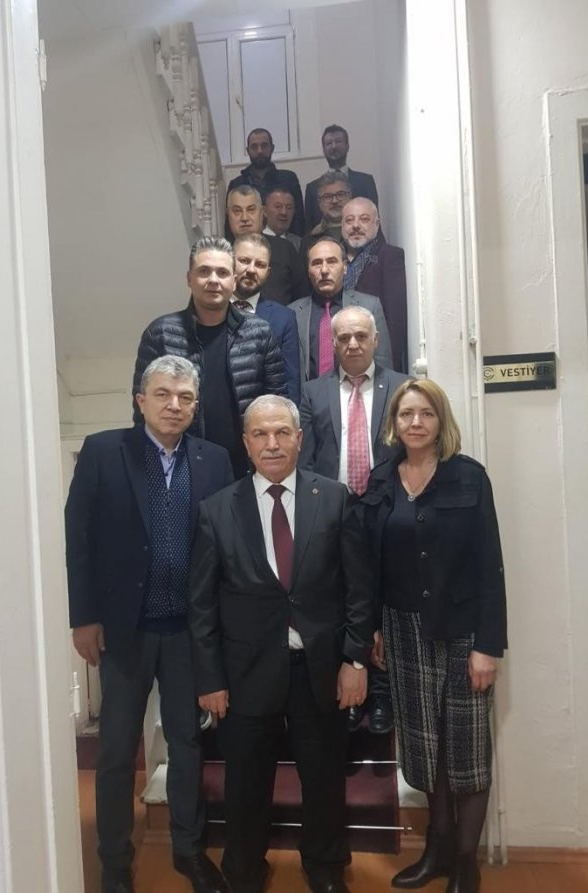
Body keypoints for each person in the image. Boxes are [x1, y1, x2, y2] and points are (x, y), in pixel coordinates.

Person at [188, 395, 374, 893]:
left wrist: (355, 660)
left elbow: (359, 589)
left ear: (299, 438)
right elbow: (201, 605)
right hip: (245, 673)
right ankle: (244, 871)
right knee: (246, 784)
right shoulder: (216, 511)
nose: (272, 443)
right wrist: (209, 678)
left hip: (320, 668)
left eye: (282, 432)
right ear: (246, 443)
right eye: (260, 434)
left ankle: (325, 867)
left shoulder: (334, 498)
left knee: (324, 778)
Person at [66, 356, 234, 893]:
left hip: (188, 630)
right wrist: (83, 617)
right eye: (162, 394)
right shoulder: (102, 452)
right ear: (141, 400)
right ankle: (115, 860)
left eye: (185, 397)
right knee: (117, 751)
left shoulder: (215, 460)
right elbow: (78, 538)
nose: (173, 405)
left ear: (195, 405)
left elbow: (226, 545)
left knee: (187, 743)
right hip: (124, 629)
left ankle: (188, 849)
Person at [358, 379, 507, 893]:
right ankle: (436, 852)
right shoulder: (381, 480)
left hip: (463, 632)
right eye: (406, 414)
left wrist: (488, 645)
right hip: (402, 631)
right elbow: (372, 563)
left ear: (441, 421)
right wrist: (374, 625)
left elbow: (490, 566)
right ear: (393, 423)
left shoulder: (469, 477)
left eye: (425, 413)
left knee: (467, 750)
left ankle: (466, 863)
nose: (415, 422)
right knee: (425, 749)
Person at [299, 306, 409, 734]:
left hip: (386, 509)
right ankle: (348, 693)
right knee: (341, 600)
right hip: (334, 511)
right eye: (343, 337)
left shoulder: (401, 387)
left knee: (384, 598)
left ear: (376, 339)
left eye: (361, 335)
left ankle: (380, 693)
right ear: (332, 343)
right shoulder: (312, 393)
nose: (353, 344)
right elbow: (306, 459)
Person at [132, 236, 287, 478]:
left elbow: (277, 404)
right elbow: (142, 412)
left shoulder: (260, 332)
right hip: (180, 467)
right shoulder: (160, 333)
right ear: (189, 278)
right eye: (204, 271)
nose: (213, 280)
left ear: (233, 280)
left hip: (245, 469)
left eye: (222, 273)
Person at [288, 236, 393, 381]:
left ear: (345, 267)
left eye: (332, 262)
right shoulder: (292, 313)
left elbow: (383, 362)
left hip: (358, 391)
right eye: (317, 263)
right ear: (308, 270)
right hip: (308, 394)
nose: (324, 270)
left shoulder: (369, 306)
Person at [231, 233, 302, 404]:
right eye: (244, 261)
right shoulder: (212, 309)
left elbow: (290, 384)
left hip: (263, 415)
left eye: (260, 265)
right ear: (230, 262)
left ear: (268, 273)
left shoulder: (284, 318)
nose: (251, 270)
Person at [341, 197, 408, 373]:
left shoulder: (389, 256)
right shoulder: (333, 259)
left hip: (375, 355)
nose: (356, 226)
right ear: (342, 226)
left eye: (364, 219)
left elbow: (395, 319)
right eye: (349, 220)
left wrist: (389, 369)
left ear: (377, 225)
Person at [226, 186, 308, 304]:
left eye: (251, 210)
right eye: (237, 211)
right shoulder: (220, 253)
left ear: (262, 212)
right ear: (228, 214)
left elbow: (303, 300)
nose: (244, 218)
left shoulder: (285, 249)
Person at [226, 128, 305, 236]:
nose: (259, 151)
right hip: (247, 241)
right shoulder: (237, 184)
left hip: (284, 241)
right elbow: (230, 223)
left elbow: (298, 219)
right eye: (254, 147)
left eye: (264, 146)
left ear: (272, 148)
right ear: (248, 151)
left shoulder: (288, 179)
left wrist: (296, 243)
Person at [305, 125, 379, 232]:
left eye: (338, 141)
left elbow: (375, 222)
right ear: (324, 150)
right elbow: (309, 228)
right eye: (329, 143)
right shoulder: (313, 188)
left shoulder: (366, 182)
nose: (334, 146)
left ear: (347, 146)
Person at [263, 185, 302, 251]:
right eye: (278, 206)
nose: (284, 212)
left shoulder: (299, 244)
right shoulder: (254, 240)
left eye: (289, 208)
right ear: (264, 211)